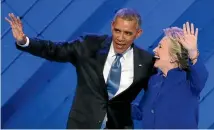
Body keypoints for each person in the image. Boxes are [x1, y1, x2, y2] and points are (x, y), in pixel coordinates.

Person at [5, 8, 156, 129]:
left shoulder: (146, 62)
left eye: (128, 33)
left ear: (138, 33)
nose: (121, 38)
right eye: (117, 30)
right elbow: (55, 50)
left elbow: (155, 93)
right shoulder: (89, 45)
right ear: (112, 26)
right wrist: (24, 41)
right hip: (82, 124)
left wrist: (138, 110)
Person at [131, 22, 209, 129]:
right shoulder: (153, 81)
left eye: (160, 47)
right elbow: (141, 112)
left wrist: (193, 52)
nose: (155, 50)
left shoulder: (188, 80)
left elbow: (202, 76)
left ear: (174, 57)